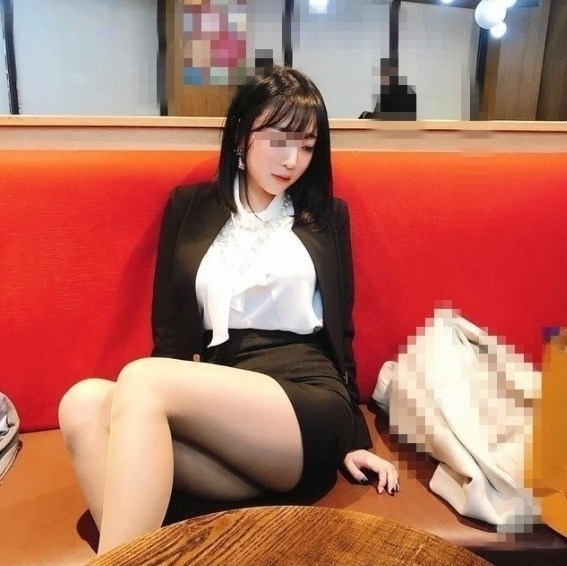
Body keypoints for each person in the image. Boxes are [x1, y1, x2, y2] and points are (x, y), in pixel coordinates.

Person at [58, 66, 399, 555]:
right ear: (241, 135)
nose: (293, 160)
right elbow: (170, 332)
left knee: (142, 379)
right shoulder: (189, 207)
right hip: (224, 413)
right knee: (82, 403)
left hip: (304, 407)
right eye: (279, 140)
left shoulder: (325, 216)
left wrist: (354, 439)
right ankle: (144, 552)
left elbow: (341, 333)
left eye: (307, 146)